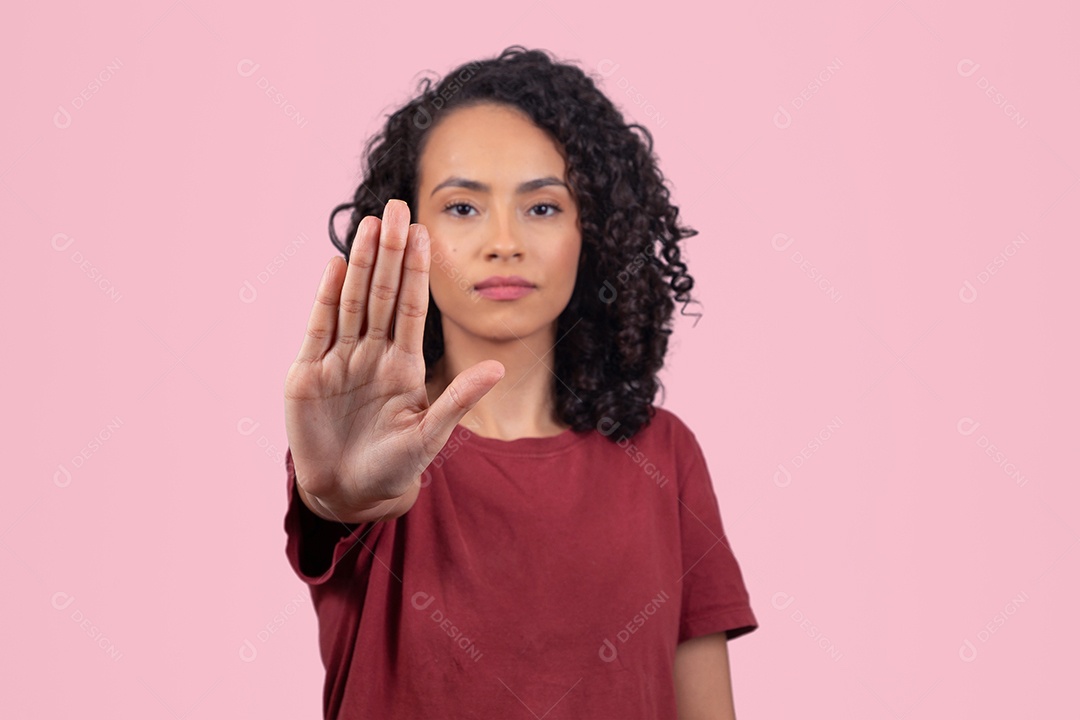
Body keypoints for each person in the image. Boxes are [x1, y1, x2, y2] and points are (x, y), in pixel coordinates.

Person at [282, 45, 758, 719]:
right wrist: (334, 499)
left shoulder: (665, 456)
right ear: (409, 229)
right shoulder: (370, 445)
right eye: (463, 208)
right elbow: (341, 496)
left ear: (590, 231)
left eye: (541, 208)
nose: (504, 241)